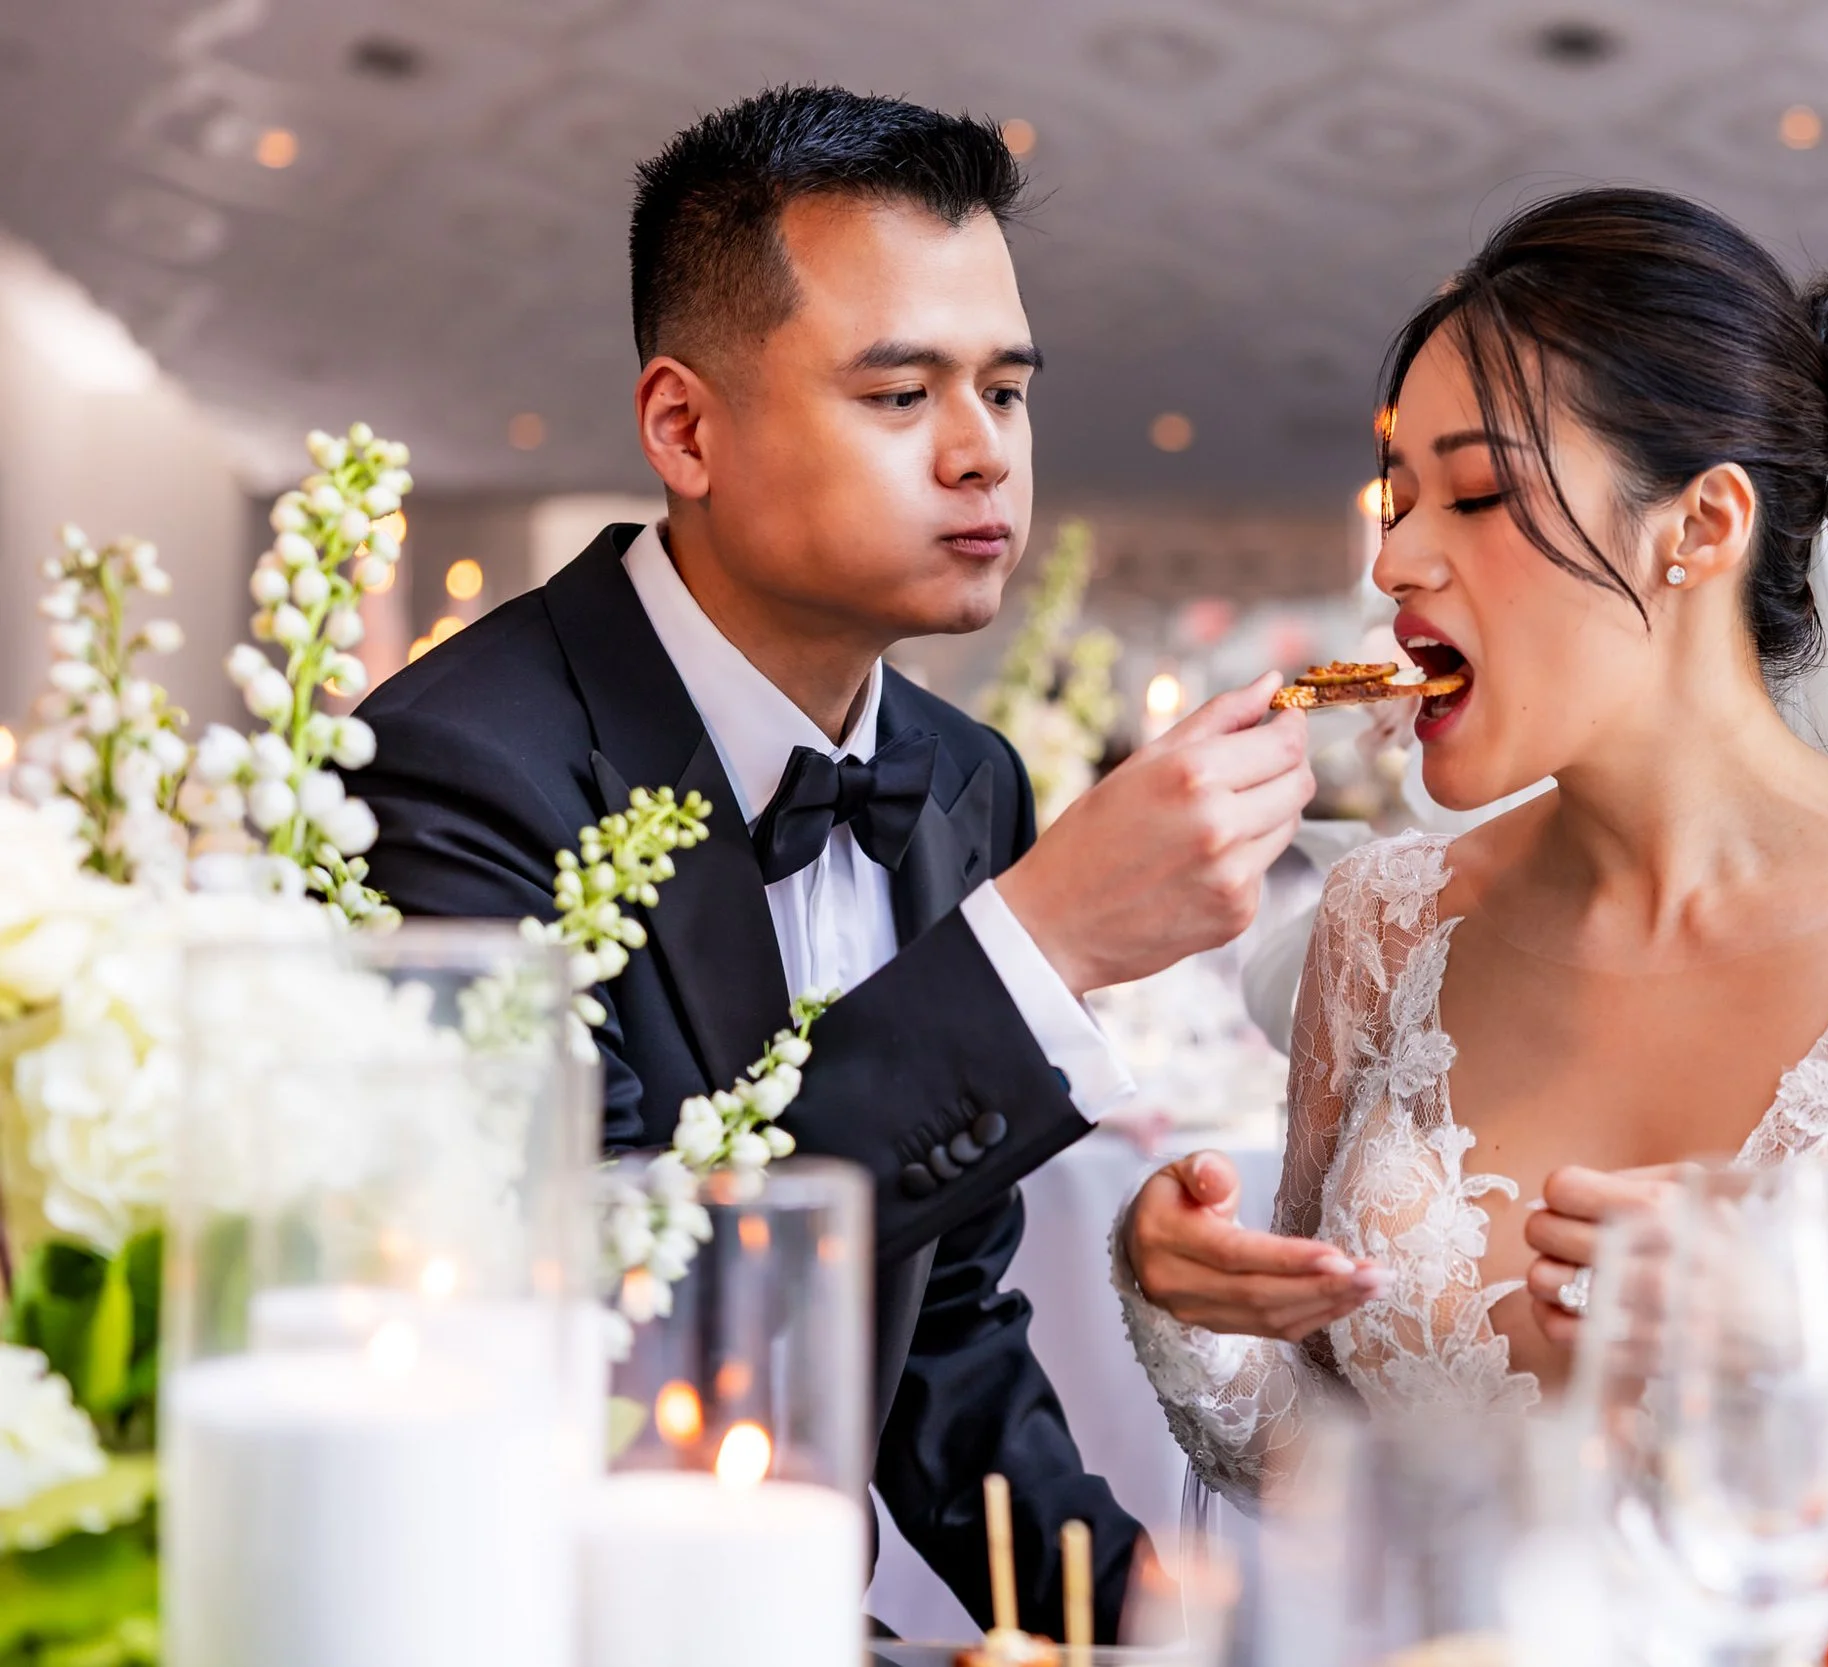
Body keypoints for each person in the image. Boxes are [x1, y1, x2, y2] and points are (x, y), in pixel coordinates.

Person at [348, 87, 1313, 1642]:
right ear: (685, 428)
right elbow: (598, 1312)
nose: (983, 455)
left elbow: (935, 1324)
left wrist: (1148, 1619)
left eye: (1007, 390)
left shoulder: (968, 778)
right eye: (901, 393)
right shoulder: (452, 770)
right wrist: (1036, 946)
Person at [1112, 186, 1828, 1496]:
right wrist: (1189, 1306)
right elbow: (1333, 1471)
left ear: (1702, 526)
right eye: (1398, 501)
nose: (1395, 562)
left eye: (1476, 493)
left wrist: (1819, 1354)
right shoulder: (1382, 924)